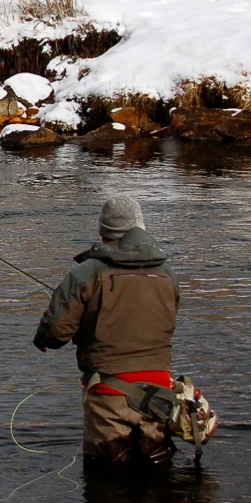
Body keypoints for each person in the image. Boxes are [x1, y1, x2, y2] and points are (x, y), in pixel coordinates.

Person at [34, 197, 180, 464]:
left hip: (109, 394)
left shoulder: (86, 273)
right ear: (141, 227)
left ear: (102, 232)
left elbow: (56, 332)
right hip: (159, 393)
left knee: (107, 480)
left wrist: (43, 339)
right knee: (158, 476)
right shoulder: (168, 273)